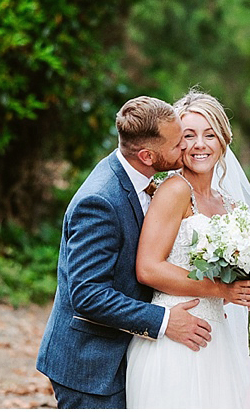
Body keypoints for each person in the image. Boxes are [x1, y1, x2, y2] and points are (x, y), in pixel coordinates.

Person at [126, 89, 250, 410]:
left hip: (216, 340)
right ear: (177, 142)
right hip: (176, 336)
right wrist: (223, 289)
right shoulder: (174, 190)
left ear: (223, 140)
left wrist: (249, 288)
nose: (199, 144)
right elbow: (148, 268)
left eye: (209, 134)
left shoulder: (230, 205)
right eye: (188, 136)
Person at [37, 98, 214, 409]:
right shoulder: (99, 201)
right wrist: (164, 320)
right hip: (90, 364)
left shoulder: (143, 178)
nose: (184, 150)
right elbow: (88, 294)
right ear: (147, 155)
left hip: (127, 351)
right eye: (177, 145)